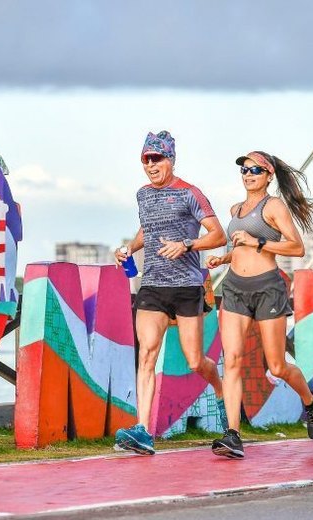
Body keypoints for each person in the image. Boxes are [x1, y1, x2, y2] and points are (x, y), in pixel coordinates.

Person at [113, 130, 229, 455]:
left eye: (157, 158)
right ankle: (142, 431)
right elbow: (147, 229)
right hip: (152, 285)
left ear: (170, 160)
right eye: (146, 159)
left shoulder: (190, 193)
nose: (151, 165)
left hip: (187, 286)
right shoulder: (142, 195)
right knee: (147, 354)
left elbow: (218, 235)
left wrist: (187, 244)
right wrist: (128, 247)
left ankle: (220, 389)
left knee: (195, 361)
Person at [207, 151, 313, 459]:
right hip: (234, 288)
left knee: (277, 365)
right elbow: (241, 248)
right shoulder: (235, 209)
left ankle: (312, 402)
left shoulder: (273, 206)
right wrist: (224, 257)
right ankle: (232, 435)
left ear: (268, 175)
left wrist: (257, 242)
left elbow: (296, 247)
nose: (248, 175)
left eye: (255, 170)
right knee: (231, 361)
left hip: (268, 289)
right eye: (245, 170)